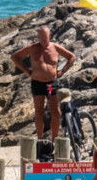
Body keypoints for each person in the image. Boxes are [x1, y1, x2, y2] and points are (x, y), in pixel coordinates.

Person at [8, 24, 78, 156]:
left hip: (50, 84)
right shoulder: (33, 48)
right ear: (38, 37)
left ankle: (55, 141)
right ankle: (40, 140)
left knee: (55, 111)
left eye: (46, 37)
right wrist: (27, 71)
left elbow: (71, 57)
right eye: (41, 37)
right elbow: (14, 57)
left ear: (49, 36)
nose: (44, 40)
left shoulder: (55, 47)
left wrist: (62, 71)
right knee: (39, 111)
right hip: (38, 83)